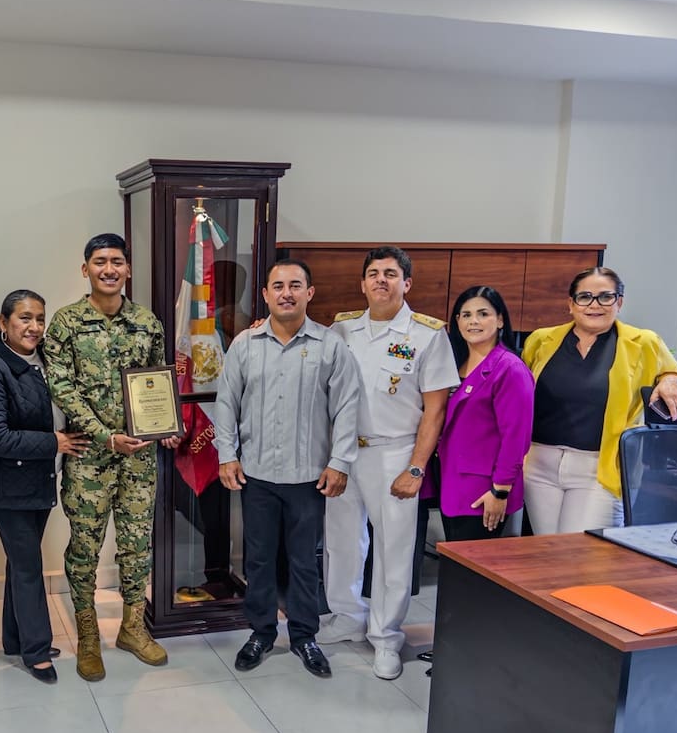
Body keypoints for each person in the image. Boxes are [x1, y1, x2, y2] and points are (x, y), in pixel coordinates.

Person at [44, 233, 182, 681]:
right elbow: (61, 387)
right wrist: (106, 437)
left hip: (140, 457)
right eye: (100, 261)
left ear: (127, 269)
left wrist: (166, 427)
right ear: (86, 269)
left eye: (117, 262)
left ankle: (132, 628)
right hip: (90, 457)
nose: (109, 269)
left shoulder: (147, 322)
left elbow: (159, 382)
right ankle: (87, 636)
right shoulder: (66, 324)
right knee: (85, 547)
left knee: (137, 546)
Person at [213, 260, 360, 677]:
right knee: (257, 559)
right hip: (256, 474)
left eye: (296, 285)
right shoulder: (245, 343)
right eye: (278, 286)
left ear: (309, 293)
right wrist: (227, 454)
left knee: (303, 561)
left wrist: (339, 462)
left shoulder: (330, 346)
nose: (287, 293)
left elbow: (348, 407)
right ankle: (260, 631)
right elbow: (227, 403)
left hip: (308, 476)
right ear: (265, 294)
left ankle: (304, 635)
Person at [320, 246, 459, 680]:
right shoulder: (341, 331)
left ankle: (385, 636)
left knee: (393, 549)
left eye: (391, 274)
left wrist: (416, 467)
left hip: (395, 451)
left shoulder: (427, 335)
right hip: (344, 451)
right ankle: (347, 617)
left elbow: (435, 410)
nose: (381, 280)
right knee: (343, 540)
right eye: (374, 274)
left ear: (407, 283)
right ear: (362, 283)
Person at [0, 290, 89, 683]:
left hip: (37, 481)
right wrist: (55, 442)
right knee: (28, 566)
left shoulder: (43, 363)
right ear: (3, 322)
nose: (34, 327)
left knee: (21, 563)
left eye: (39, 318)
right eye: (24, 318)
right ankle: (37, 652)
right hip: (10, 488)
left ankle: (15, 638)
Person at [521, 267, 677, 534]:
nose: (594, 305)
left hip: (599, 467)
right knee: (548, 552)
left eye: (605, 297)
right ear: (571, 304)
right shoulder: (542, 340)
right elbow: (518, 387)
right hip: (539, 463)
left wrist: (671, 377)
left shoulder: (643, 342)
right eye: (585, 297)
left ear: (619, 302)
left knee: (584, 556)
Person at [437, 285, 534, 541]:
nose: (474, 321)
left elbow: (516, 437)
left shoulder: (510, 368)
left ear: (500, 319)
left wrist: (500, 491)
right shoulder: (453, 364)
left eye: (483, 314)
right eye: (466, 315)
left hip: (484, 490)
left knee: (472, 574)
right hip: (452, 482)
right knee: (455, 567)